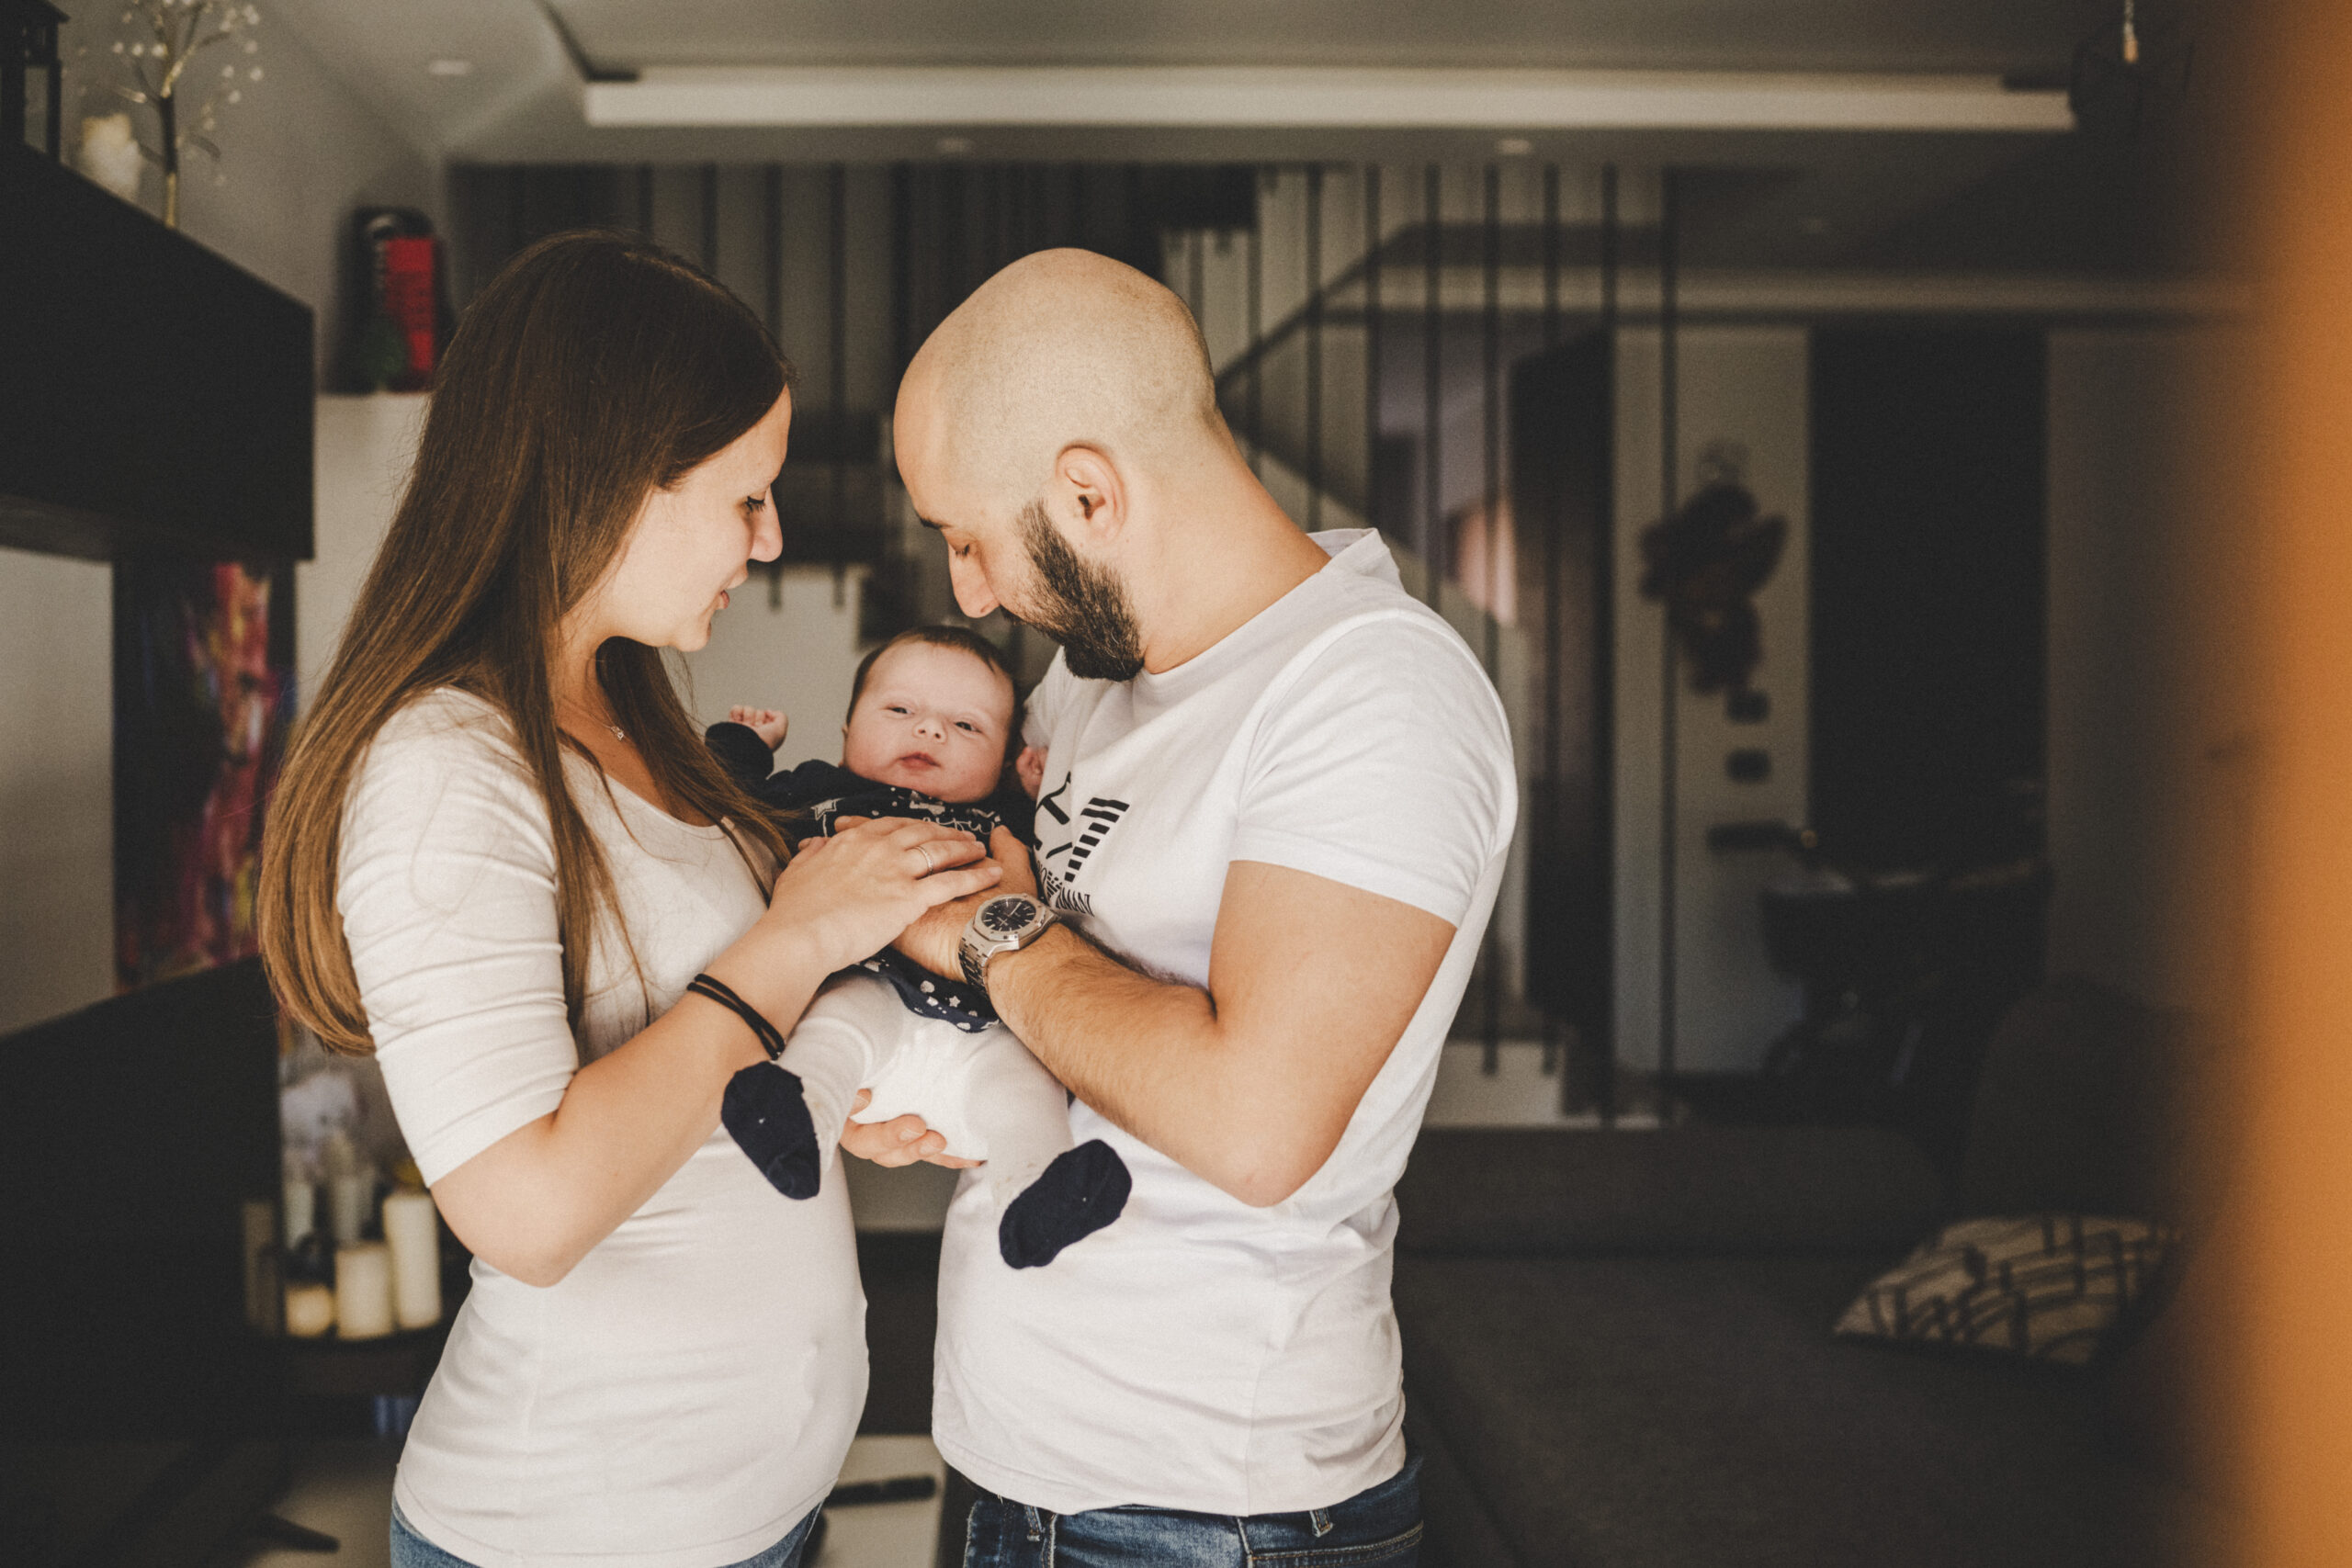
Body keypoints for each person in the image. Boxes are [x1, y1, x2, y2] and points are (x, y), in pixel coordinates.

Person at [256, 231, 999, 1568]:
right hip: (577, 1530)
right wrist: (798, 938)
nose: (771, 538)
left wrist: (824, 1091)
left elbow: (682, 1064)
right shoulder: (446, 765)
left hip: (751, 1514)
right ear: (613, 476)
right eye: (746, 495)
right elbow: (529, 1212)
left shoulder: (628, 711)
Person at [878, 247, 1517, 1566]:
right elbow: (1053, 978)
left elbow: (1254, 1122)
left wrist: (992, 943)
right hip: (1020, 1461)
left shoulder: (1370, 693)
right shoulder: (1088, 679)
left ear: (1089, 492)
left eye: (967, 538)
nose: (967, 594)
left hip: (1211, 1512)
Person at [706, 626, 1131, 1269]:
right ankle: (800, 1118)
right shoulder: (821, 790)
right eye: (900, 709)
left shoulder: (1005, 820)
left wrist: (1036, 791)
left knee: (1026, 1085)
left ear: (1002, 760)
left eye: (966, 725)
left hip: (986, 1032)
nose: (930, 729)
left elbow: (1060, 856)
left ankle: (1037, 1188)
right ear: (846, 733)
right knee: (840, 1016)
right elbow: (727, 799)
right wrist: (743, 746)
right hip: (873, 1004)